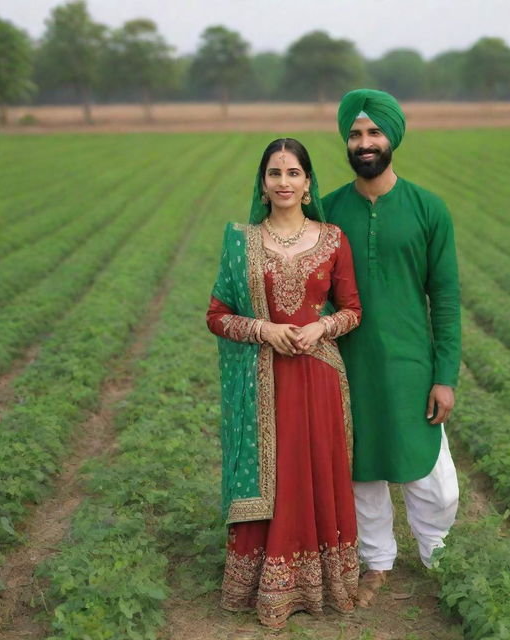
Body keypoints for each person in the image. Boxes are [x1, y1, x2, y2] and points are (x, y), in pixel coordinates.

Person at [206, 138, 362, 628]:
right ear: (263, 183)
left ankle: (322, 583)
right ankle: (263, 583)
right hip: (264, 380)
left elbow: (354, 310)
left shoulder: (334, 238)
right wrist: (263, 330)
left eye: (294, 173)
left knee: (312, 470)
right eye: (275, 173)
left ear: (308, 183)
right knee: (278, 470)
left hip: (319, 378)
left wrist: (322, 326)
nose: (284, 182)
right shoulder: (241, 241)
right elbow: (216, 316)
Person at [322, 89, 461, 606]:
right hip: (346, 363)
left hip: (411, 365)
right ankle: (376, 561)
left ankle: (437, 553)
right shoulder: (329, 209)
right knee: (362, 468)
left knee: (432, 477)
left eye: (374, 132)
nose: (364, 143)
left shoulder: (428, 208)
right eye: (355, 134)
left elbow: (445, 297)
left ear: (392, 137)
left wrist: (444, 374)